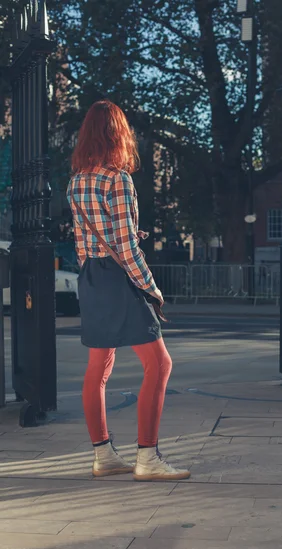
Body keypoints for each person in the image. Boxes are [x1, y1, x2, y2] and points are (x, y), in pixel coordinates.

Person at [67, 99, 190, 481]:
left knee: (98, 367)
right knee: (159, 364)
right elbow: (125, 247)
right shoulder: (117, 179)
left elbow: (86, 239)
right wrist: (151, 288)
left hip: (90, 275)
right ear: (118, 133)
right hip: (119, 278)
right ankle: (148, 458)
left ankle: (103, 456)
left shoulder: (76, 181)